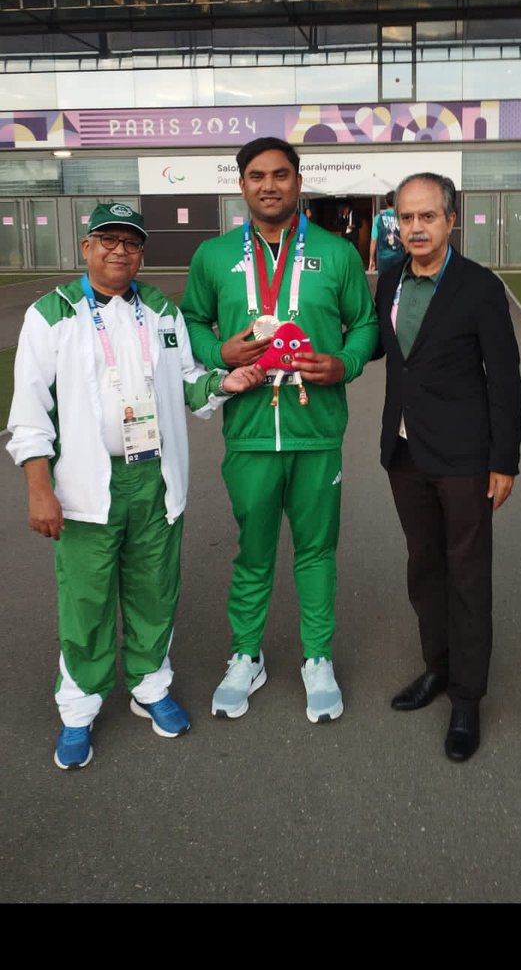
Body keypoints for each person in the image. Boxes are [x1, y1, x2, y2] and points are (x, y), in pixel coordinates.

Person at [6, 201, 263, 770]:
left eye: (131, 242)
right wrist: (38, 488)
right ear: (86, 247)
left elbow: (191, 385)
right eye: (108, 239)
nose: (120, 250)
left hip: (157, 481)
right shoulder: (51, 315)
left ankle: (150, 686)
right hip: (85, 488)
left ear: (142, 252)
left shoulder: (162, 312)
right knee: (86, 601)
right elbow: (30, 413)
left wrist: (230, 381)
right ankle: (79, 707)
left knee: (155, 592)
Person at [181, 136, 379, 724]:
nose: (270, 185)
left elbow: (364, 324)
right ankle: (247, 655)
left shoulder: (337, 254)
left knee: (317, 552)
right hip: (248, 434)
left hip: (317, 431)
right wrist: (219, 350)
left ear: (299, 181)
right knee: (253, 552)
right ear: (241, 185)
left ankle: (317, 658)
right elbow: (191, 318)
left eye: (282, 175)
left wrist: (343, 362)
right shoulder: (213, 257)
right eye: (257, 176)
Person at [372, 172, 521, 762]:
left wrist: (503, 460)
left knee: (466, 576)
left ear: (450, 221)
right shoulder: (388, 281)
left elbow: (504, 380)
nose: (415, 228)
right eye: (406, 218)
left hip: (464, 457)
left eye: (427, 217)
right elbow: (379, 349)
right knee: (424, 567)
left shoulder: (480, 288)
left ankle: (467, 697)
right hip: (405, 454)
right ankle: (436, 667)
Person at [369, 191, 404, 274]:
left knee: (383, 283)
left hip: (383, 258)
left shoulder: (378, 218)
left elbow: (373, 241)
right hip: (399, 257)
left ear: (385, 201)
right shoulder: (402, 218)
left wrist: (371, 259)